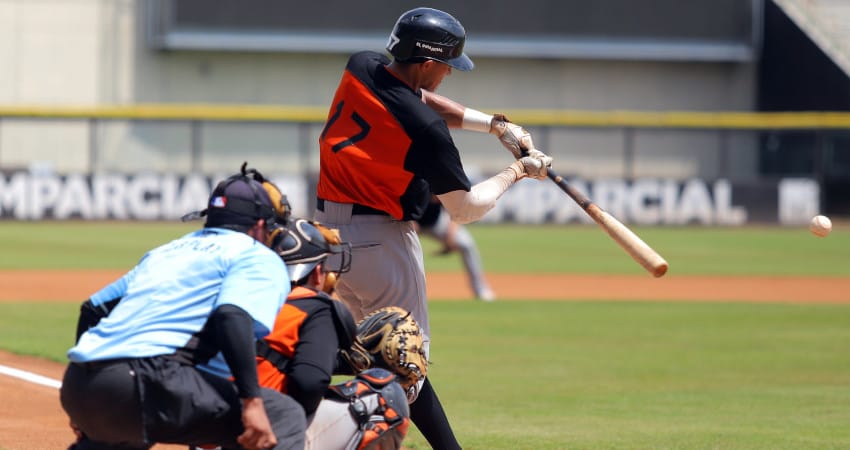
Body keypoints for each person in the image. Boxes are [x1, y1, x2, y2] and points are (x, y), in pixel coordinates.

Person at [315, 7, 553, 449]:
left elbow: (413, 98)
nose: (448, 74)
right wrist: (518, 170)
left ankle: (282, 369)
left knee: (365, 348)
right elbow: (465, 209)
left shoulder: (361, 66)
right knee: (406, 361)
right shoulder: (426, 131)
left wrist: (494, 125)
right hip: (381, 244)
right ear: (427, 62)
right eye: (446, 65)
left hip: (326, 238)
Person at [60, 164, 306, 450]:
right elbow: (231, 315)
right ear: (261, 225)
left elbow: (92, 309)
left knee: (131, 428)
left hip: (80, 385)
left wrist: (87, 405)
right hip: (145, 380)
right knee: (283, 415)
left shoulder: (166, 251)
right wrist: (252, 401)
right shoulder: (255, 255)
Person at [255, 217, 412, 450]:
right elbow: (307, 387)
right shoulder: (316, 307)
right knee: (384, 394)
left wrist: (335, 362)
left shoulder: (244, 297)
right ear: (317, 271)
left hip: (211, 426)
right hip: (264, 431)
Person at [415, 196, 495, 301]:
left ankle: (481, 290)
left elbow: (455, 209)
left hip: (436, 222)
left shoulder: (438, 183)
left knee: (467, 245)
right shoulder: (412, 183)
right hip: (408, 223)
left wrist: (450, 236)